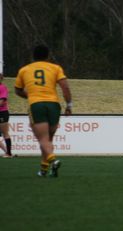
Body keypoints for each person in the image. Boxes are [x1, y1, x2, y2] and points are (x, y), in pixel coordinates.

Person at [14, 45, 72, 177]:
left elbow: (17, 90)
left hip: (37, 105)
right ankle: (44, 169)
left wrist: (29, 95)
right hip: (53, 105)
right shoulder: (55, 68)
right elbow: (65, 87)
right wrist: (69, 105)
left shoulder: (24, 70)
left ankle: (53, 160)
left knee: (42, 139)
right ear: (48, 56)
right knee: (48, 139)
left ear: (33, 56)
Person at [0, 74, 14, 158]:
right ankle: (7, 152)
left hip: (2, 113)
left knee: (5, 133)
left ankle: (8, 153)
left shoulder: (2, 88)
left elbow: (1, 102)